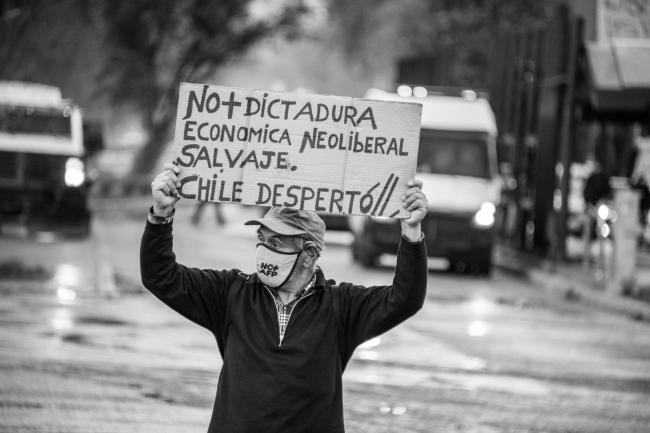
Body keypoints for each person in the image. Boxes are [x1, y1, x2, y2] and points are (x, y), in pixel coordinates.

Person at [140, 162, 429, 433]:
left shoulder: (341, 306)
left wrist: (411, 233)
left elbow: (405, 299)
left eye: (277, 242)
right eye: (263, 239)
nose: (265, 248)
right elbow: (160, 276)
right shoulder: (232, 292)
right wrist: (160, 214)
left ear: (310, 254)